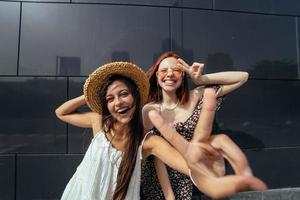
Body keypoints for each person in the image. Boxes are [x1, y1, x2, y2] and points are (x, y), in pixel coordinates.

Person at [56, 61, 266, 200]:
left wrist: (209, 170)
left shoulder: (147, 142)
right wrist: (95, 92)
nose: (118, 102)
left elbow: (188, 166)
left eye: (124, 94)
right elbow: (62, 113)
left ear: (136, 98)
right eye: (110, 99)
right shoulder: (99, 122)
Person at [141, 51, 250, 199]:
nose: (170, 74)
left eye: (177, 70)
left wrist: (201, 79)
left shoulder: (196, 96)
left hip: (196, 177)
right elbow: (154, 153)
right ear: (156, 75)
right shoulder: (149, 110)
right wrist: (169, 196)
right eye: (164, 70)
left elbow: (242, 77)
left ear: (183, 75)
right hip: (161, 184)